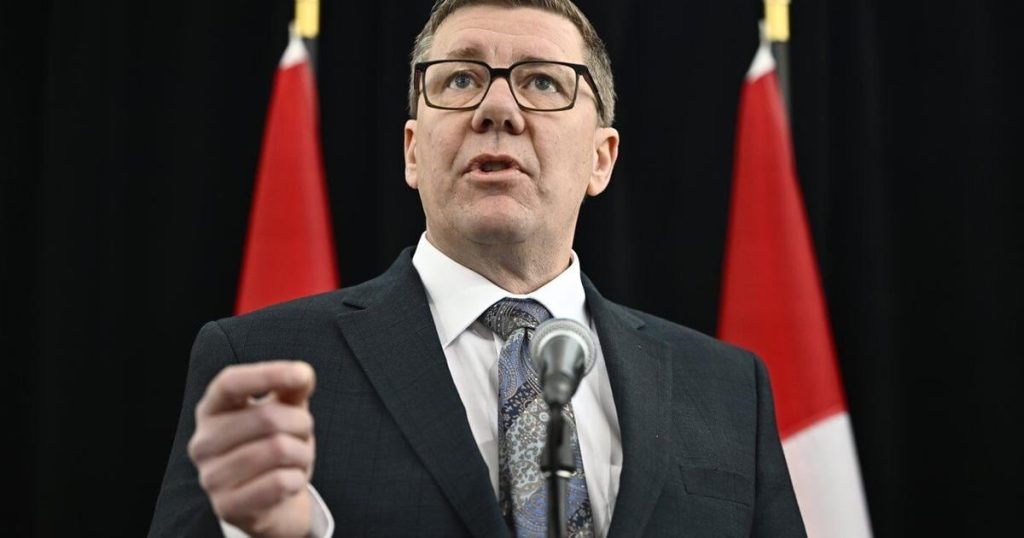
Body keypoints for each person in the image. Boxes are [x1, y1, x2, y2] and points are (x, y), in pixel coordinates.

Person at [149, 0, 806, 536]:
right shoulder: (263, 362)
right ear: (413, 151)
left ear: (601, 159)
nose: (498, 109)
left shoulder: (727, 390)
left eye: (543, 82)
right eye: (461, 79)